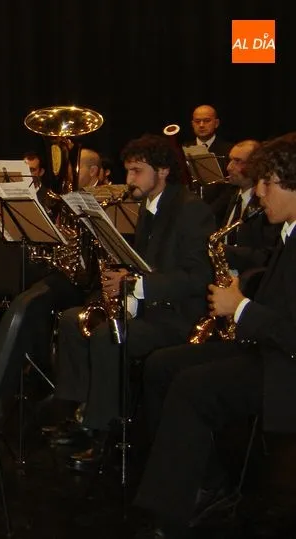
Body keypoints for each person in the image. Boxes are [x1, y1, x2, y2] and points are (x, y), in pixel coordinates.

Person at [134, 133, 296, 537]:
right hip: (267, 350)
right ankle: (202, 479)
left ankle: (174, 506)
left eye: (268, 183)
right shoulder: (288, 232)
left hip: (284, 367)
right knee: (161, 365)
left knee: (193, 387)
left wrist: (239, 307)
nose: (258, 193)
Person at [50, 134, 215, 469]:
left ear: (164, 170)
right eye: (128, 171)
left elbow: (198, 277)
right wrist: (120, 281)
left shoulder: (191, 209)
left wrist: (136, 286)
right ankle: (81, 408)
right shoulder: (148, 208)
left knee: (108, 335)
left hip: (175, 317)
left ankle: (102, 431)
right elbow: (145, 265)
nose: (129, 180)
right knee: (70, 319)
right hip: (146, 307)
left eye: (137, 171)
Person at [209, 140, 280, 271]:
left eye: (237, 161)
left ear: (255, 166)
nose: (229, 167)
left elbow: (266, 256)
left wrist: (222, 250)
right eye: (230, 160)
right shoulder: (231, 194)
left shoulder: (267, 204)